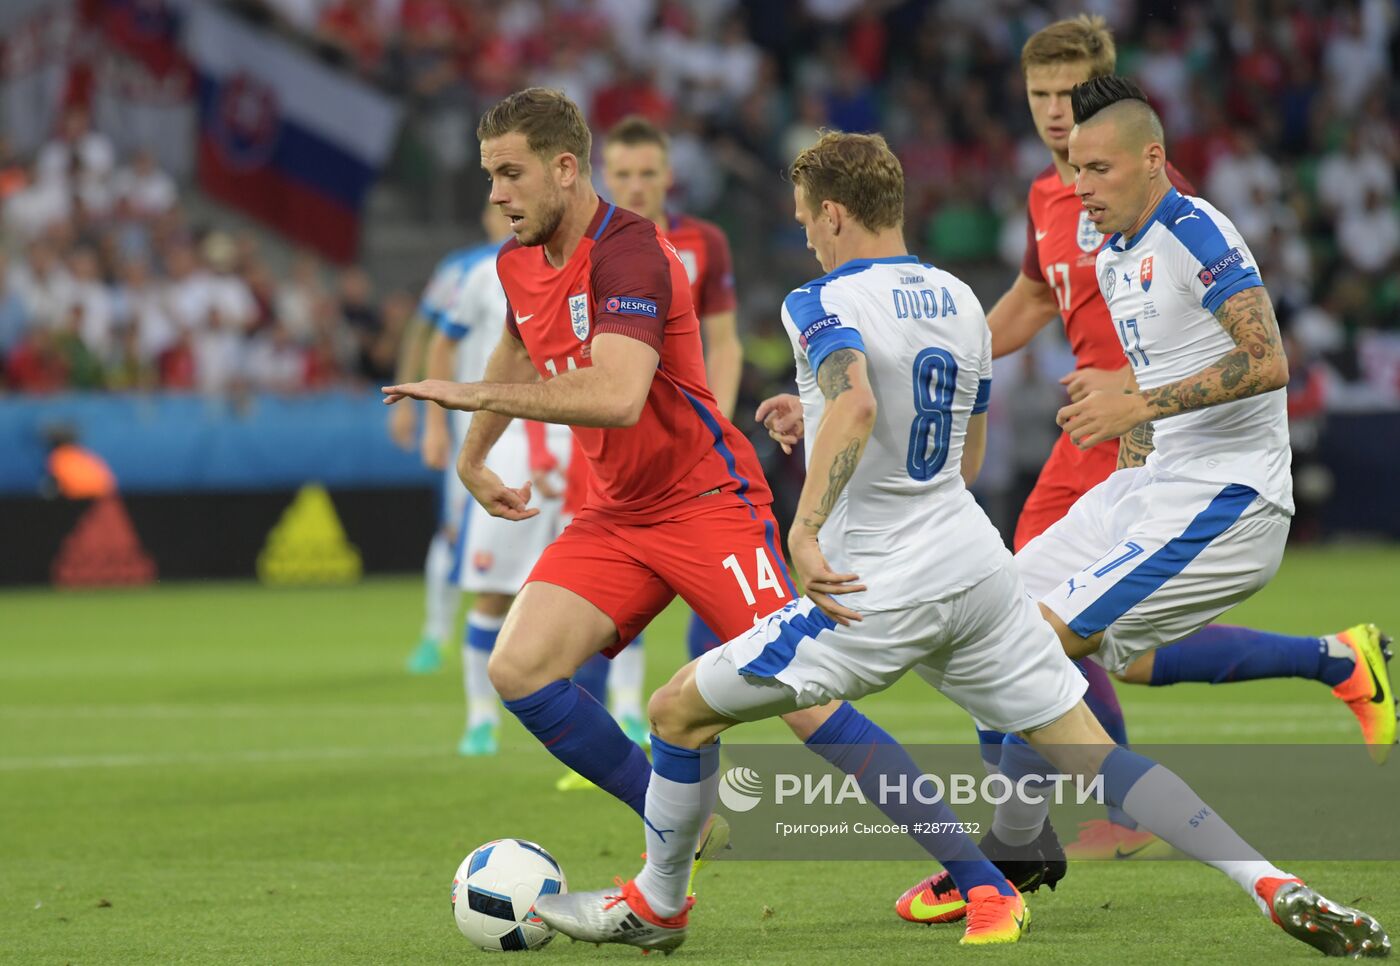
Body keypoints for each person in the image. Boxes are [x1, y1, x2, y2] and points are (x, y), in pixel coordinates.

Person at [534, 130, 1389, 958]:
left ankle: (657, 905)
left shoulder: (816, 301)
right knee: (1092, 753)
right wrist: (825, 414)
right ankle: (1268, 882)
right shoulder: (957, 301)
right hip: (975, 566)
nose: (805, 236)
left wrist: (803, 524)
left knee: (675, 712)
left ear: (834, 215)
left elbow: (863, 405)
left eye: (804, 221)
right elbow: (960, 451)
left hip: (882, 585)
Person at [766, 16, 1393, 875]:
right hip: (1141, 469)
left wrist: (1136, 402)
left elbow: (1267, 359)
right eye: (1047, 111)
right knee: (996, 614)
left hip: (1224, 490)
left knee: (1053, 642)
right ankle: (1032, 834)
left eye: (1094, 161)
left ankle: (1023, 843)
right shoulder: (1104, 244)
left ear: (1146, 155)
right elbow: (1057, 318)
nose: (1076, 172)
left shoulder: (1191, 230)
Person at [382, 89, 918, 857]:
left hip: (705, 501)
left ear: (565, 169)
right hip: (619, 513)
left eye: (509, 173)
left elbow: (618, 396)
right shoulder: (517, 259)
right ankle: (677, 817)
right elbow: (519, 347)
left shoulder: (631, 250)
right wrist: (472, 454)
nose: (495, 194)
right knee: (520, 667)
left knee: (808, 700)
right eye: (488, 176)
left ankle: (981, 876)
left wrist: (467, 393)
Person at [564, 115, 746, 754]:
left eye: (648, 173)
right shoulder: (588, 250)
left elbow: (724, 342)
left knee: (717, 623)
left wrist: (713, 417)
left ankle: (698, 739)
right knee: (597, 616)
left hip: (691, 462)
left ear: (669, 176)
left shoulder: (703, 244)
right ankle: (601, 743)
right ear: (602, 176)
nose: (637, 186)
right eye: (623, 174)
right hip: (613, 456)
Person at [416, 199, 573, 756]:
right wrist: (434, 424)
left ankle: (620, 709)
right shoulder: (483, 273)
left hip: (578, 443)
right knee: (491, 588)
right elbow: (446, 340)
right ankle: (480, 716)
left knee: (604, 597)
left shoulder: (599, 263)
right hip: (502, 443)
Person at [393, 240, 487, 674]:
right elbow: (425, 332)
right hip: (471, 422)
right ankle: (436, 633)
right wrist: (414, 403)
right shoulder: (465, 268)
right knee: (454, 530)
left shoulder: (563, 257)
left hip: (543, 423)